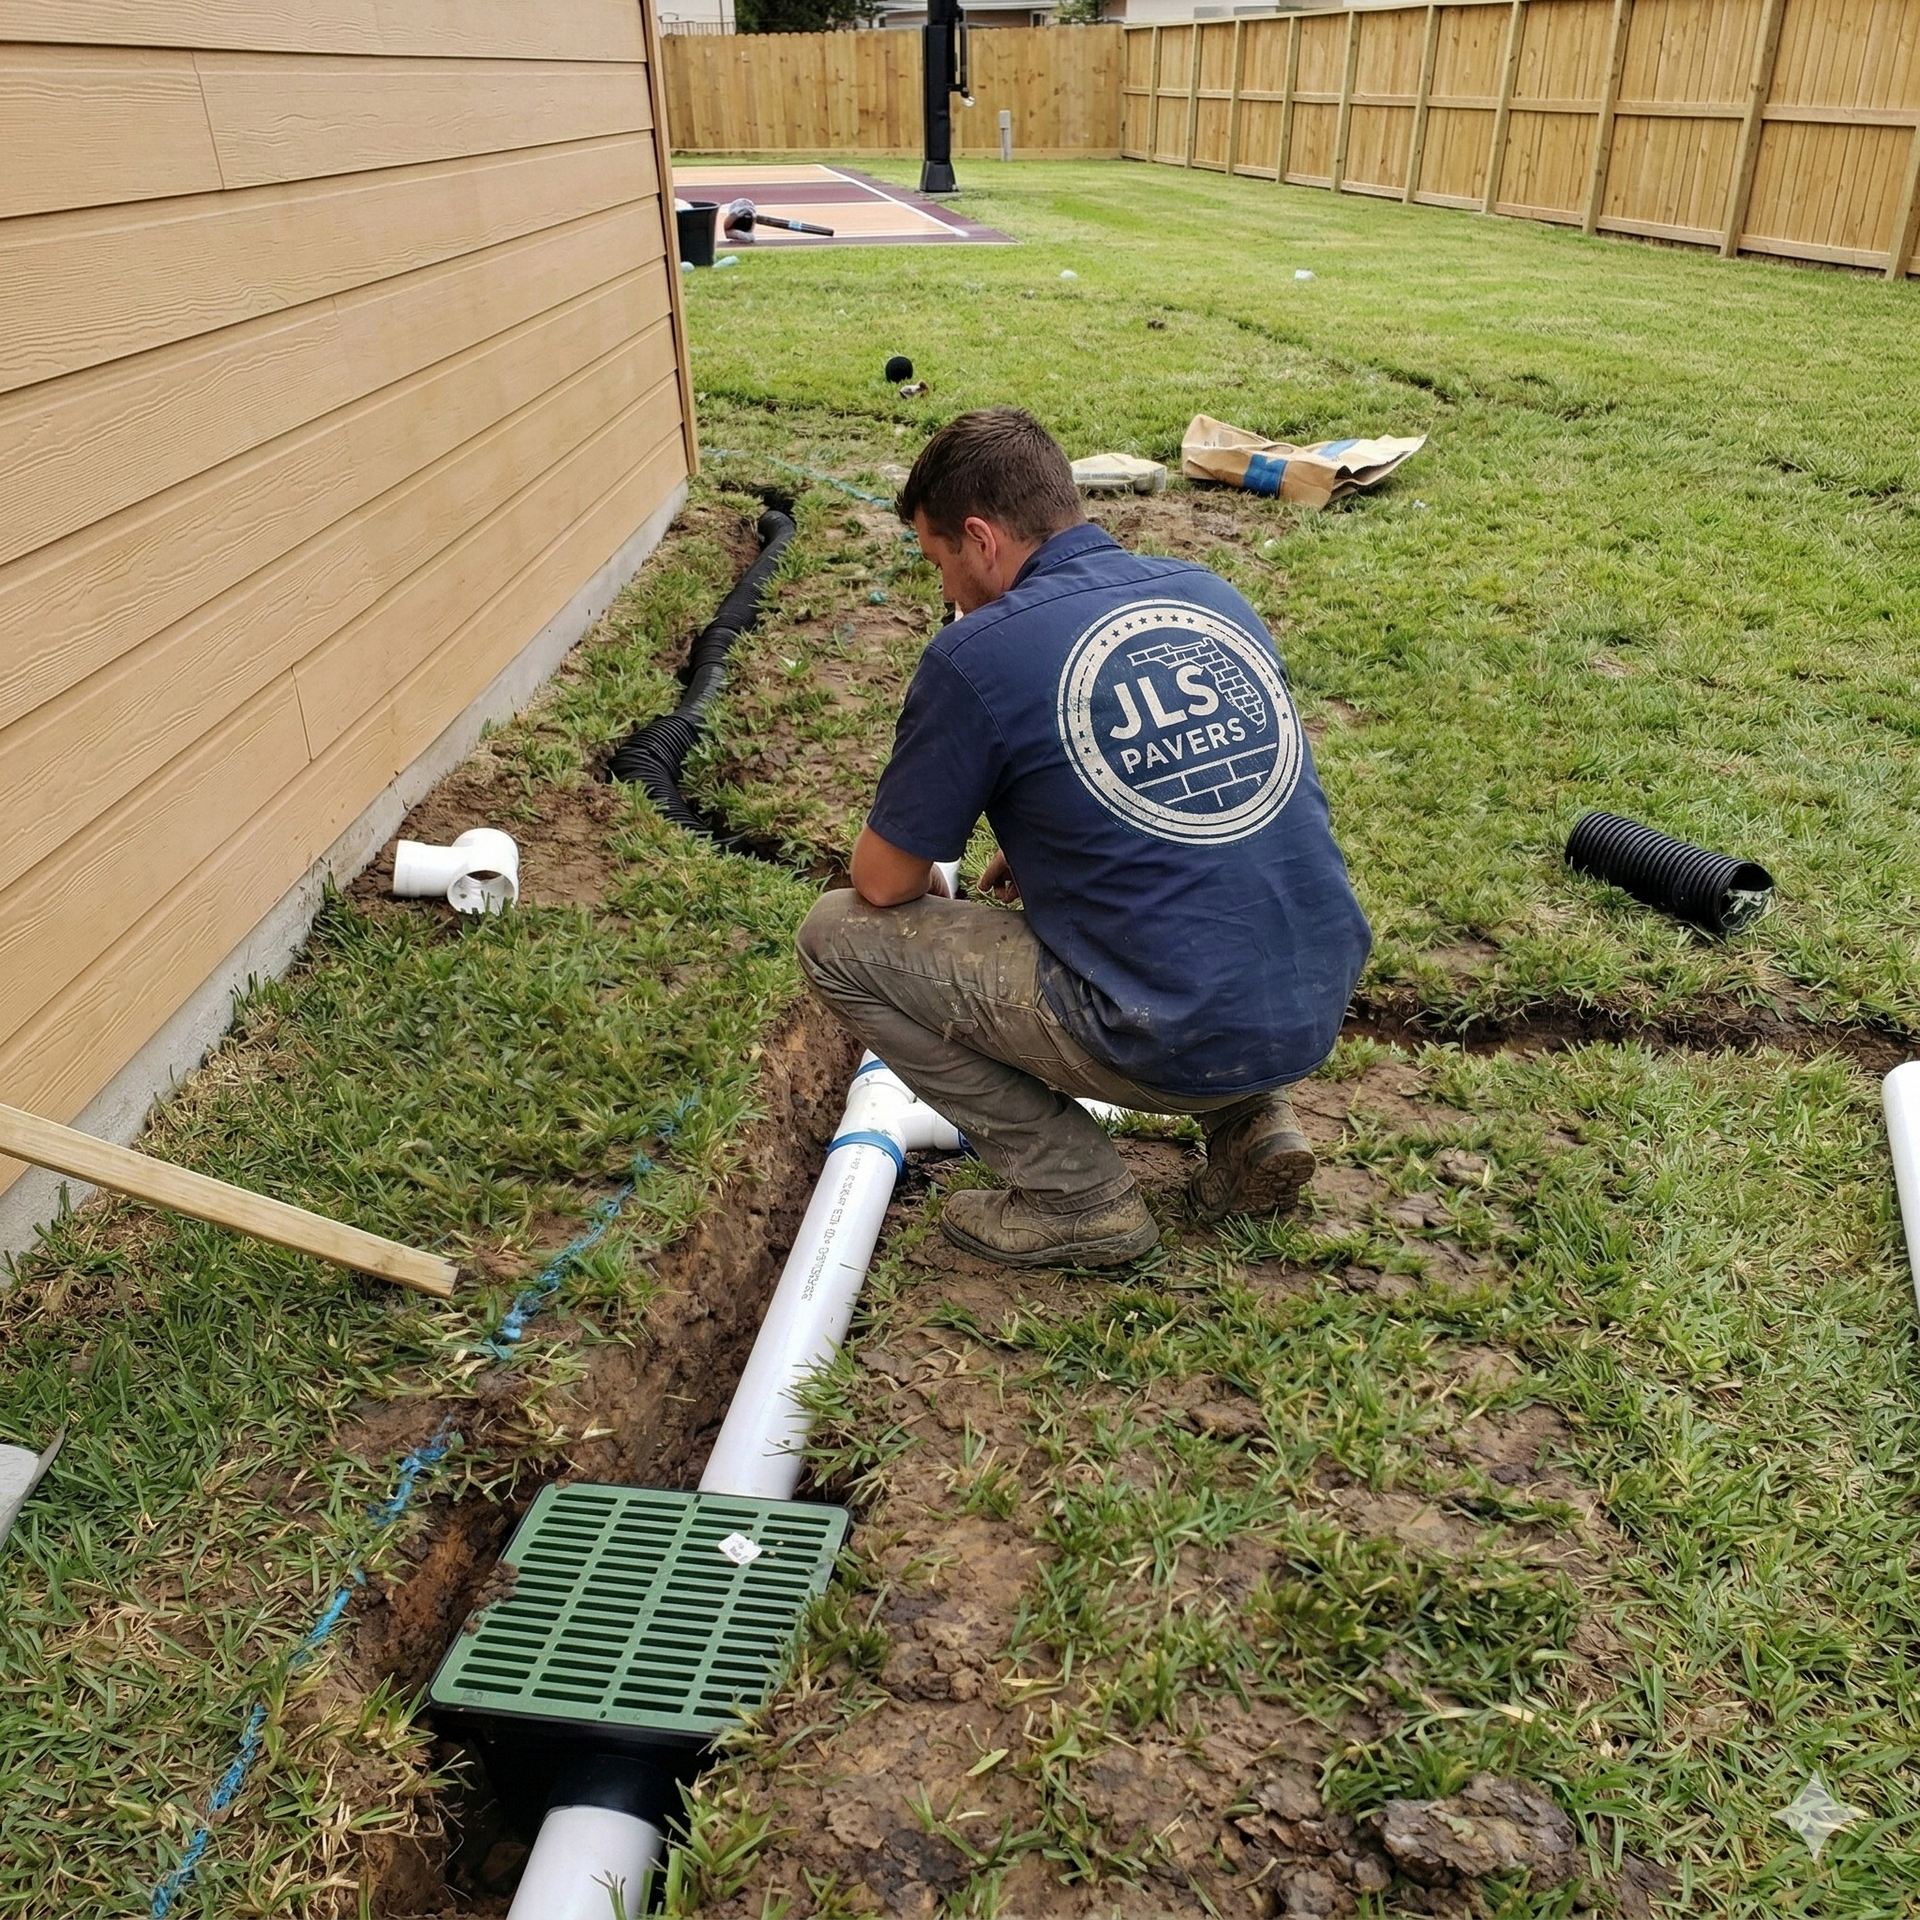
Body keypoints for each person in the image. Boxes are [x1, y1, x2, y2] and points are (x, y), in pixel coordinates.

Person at [797, 408, 1371, 1269]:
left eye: (939, 561)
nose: (946, 594)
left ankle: (1076, 1197)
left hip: (1162, 1032)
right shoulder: (1210, 594)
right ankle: (1253, 1121)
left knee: (835, 938)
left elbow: (882, 884)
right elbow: (1207, 800)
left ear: (982, 539)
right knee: (1214, 908)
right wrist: (1059, 839)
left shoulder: (976, 651)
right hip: (1313, 996)